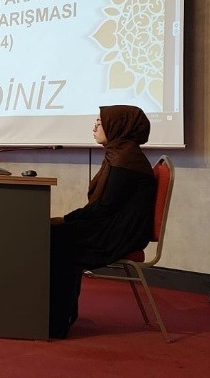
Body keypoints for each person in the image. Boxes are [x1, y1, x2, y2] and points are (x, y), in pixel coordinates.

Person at [48, 105, 156, 339]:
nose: (95, 127)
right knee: (57, 234)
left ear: (118, 126)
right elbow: (103, 209)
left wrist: (66, 219)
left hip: (120, 234)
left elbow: (103, 208)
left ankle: (56, 322)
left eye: (100, 122)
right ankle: (58, 317)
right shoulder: (121, 154)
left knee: (57, 239)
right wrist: (68, 221)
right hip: (114, 226)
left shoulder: (125, 161)